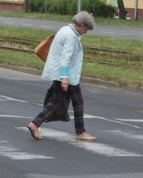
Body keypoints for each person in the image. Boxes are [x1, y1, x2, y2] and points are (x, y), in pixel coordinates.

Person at [26, 11, 96, 142]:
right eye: (86, 28)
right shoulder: (71, 36)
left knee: (71, 101)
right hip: (64, 74)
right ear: (81, 25)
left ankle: (79, 131)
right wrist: (64, 77)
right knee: (64, 102)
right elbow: (66, 58)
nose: (85, 32)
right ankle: (35, 124)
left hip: (62, 73)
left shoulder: (65, 29)